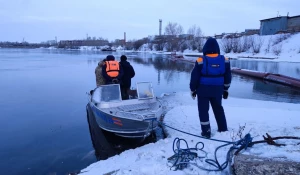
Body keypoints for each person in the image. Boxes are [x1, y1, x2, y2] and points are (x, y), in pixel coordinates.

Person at [189, 37, 232, 139]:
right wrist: (226, 89)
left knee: (203, 111)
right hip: (218, 90)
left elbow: (194, 77)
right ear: (217, 48)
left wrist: (193, 89)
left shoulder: (200, 60)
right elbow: (228, 76)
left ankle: (206, 132)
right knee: (218, 109)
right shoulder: (225, 60)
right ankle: (223, 129)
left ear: (205, 49)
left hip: (203, 90)